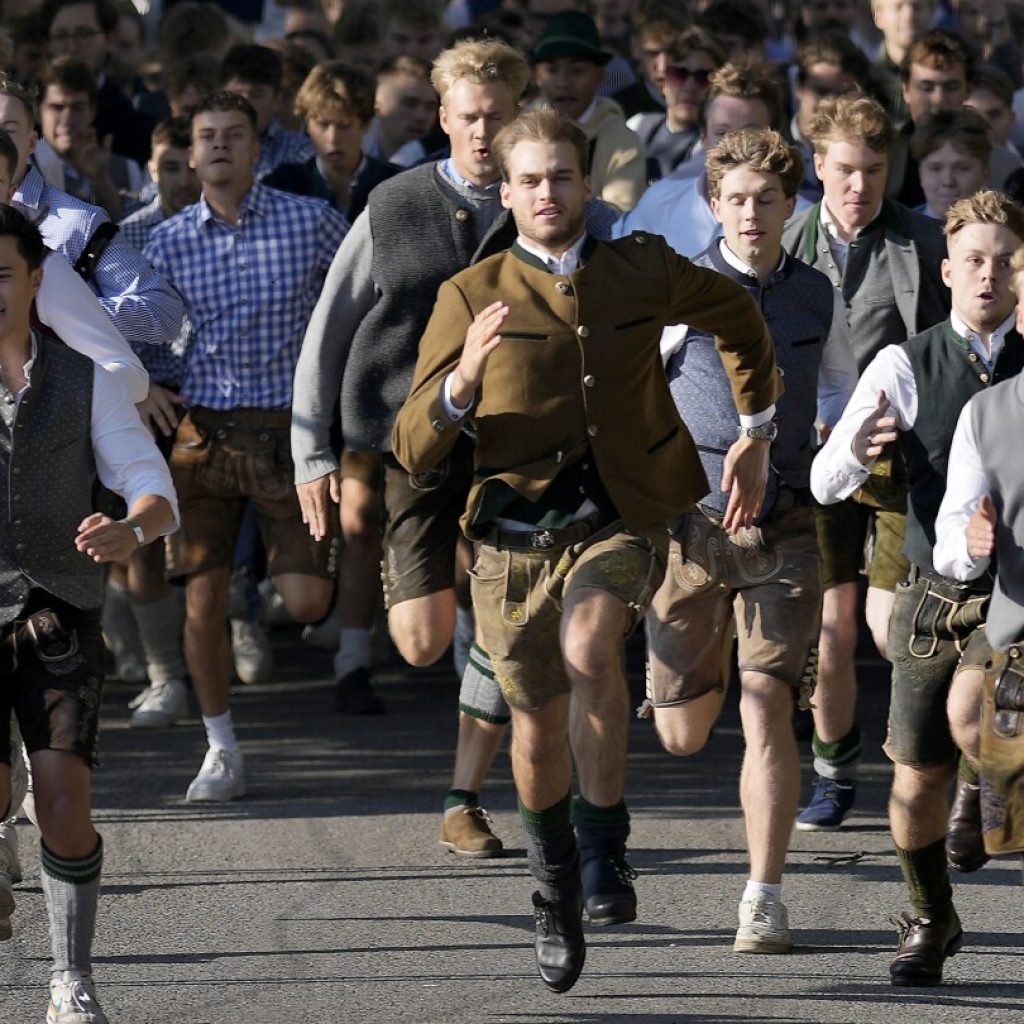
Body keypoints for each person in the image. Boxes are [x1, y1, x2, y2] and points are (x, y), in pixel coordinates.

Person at [392, 107, 780, 993]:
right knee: (532, 726)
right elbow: (413, 445)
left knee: (590, 646)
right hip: (513, 541)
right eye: (529, 180)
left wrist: (756, 427)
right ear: (506, 190)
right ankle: (555, 881)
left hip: (625, 514)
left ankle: (607, 847)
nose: (546, 193)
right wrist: (459, 383)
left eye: (561, 176)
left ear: (584, 182)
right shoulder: (472, 293)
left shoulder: (640, 266)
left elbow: (739, 319)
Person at [292, 37, 617, 855]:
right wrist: (312, 455)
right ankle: (481, 690)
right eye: (469, 118)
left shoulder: (558, 200)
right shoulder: (395, 204)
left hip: (526, 447)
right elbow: (328, 331)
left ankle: (466, 797)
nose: (482, 132)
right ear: (443, 119)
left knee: (505, 610)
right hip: (418, 438)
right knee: (423, 640)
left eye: (498, 116)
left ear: (522, 114)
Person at [644, 128, 853, 955]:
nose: (752, 213)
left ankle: (763, 896)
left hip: (787, 523)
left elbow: (839, 376)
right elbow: (637, 387)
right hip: (690, 527)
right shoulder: (680, 290)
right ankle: (693, 671)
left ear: (791, 204)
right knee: (682, 733)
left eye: (767, 198)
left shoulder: (816, 294)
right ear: (713, 204)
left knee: (767, 700)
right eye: (735, 198)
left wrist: (832, 440)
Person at [813, 189, 1024, 985]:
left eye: (1005, 259)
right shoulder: (907, 361)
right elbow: (826, 484)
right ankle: (932, 919)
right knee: (914, 778)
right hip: (935, 586)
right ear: (946, 270)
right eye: (973, 258)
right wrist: (860, 449)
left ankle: (982, 784)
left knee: (977, 717)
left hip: (1017, 589)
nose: (989, 274)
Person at [0, 204, 178, 1024]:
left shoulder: (85, 377)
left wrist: (128, 528)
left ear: (37, 283)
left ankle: (70, 979)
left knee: (64, 799)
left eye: (4, 274)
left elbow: (153, 491)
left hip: (58, 607)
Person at [144, 91, 348, 802]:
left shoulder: (312, 221)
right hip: (201, 437)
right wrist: (143, 389)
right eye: (208, 136)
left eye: (236, 135)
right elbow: (130, 337)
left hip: (287, 434)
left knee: (308, 601)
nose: (221, 146)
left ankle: (258, 583)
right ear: (191, 155)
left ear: (259, 151)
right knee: (199, 603)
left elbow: (358, 298)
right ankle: (221, 749)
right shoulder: (164, 243)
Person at [783, 94, 949, 829]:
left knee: (889, 627)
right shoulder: (784, 241)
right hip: (812, 462)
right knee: (834, 624)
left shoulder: (924, 242)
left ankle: (922, 751)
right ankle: (834, 768)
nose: (859, 185)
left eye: (874, 170)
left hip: (893, 466)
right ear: (819, 165)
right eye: (845, 169)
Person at [934, 241, 1024, 866]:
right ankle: (980, 786)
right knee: (967, 706)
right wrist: (971, 543)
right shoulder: (987, 413)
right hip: (1019, 634)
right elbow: (950, 544)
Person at [613, 63, 786, 256]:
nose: (735, 147)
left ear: (775, 138)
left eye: (749, 134)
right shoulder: (659, 203)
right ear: (704, 137)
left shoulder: (799, 220)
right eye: (722, 133)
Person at [530, 10, 646, 212]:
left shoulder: (620, 140)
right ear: (536, 75)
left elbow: (622, 216)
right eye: (552, 70)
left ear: (599, 76)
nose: (563, 83)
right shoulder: (518, 132)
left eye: (576, 71)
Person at [264, 61, 400, 221]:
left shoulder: (395, 184)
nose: (333, 138)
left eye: (344, 126)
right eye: (323, 124)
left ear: (365, 124)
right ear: (307, 124)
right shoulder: (282, 185)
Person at [39, 0, 155, 164]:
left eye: (84, 34)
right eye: (61, 36)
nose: (72, 47)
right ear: (47, 45)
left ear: (109, 39)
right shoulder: (24, 115)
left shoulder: (136, 127)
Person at [36, 56, 145, 220]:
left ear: (93, 110)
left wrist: (101, 179)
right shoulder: (22, 169)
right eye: (57, 108)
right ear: (38, 113)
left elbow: (133, 230)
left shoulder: (128, 170)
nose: (67, 120)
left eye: (77, 108)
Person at [627, 28, 725, 182]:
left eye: (703, 77)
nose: (690, 86)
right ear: (664, 81)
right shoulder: (637, 126)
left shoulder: (718, 147)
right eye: (680, 74)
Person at [790, 34, 870, 202]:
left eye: (843, 94)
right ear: (799, 86)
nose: (830, 104)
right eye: (821, 91)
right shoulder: (776, 143)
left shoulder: (874, 150)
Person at [219, 44, 316, 180]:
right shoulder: (204, 148)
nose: (246, 105)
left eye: (257, 95)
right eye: (237, 94)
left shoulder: (299, 153)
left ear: (277, 100)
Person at [610, 0, 687, 119]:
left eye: (672, 52)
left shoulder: (704, 105)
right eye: (652, 53)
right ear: (635, 48)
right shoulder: (617, 111)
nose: (663, 66)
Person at [912, 108, 992, 220]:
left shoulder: (1009, 233)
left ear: (985, 173)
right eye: (935, 169)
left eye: (962, 168)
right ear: (920, 174)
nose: (948, 181)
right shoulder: (896, 232)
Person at [867, 0, 936, 125]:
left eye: (917, 6)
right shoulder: (866, 79)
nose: (909, 15)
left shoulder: (949, 75)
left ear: (931, 13)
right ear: (878, 17)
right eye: (898, 7)